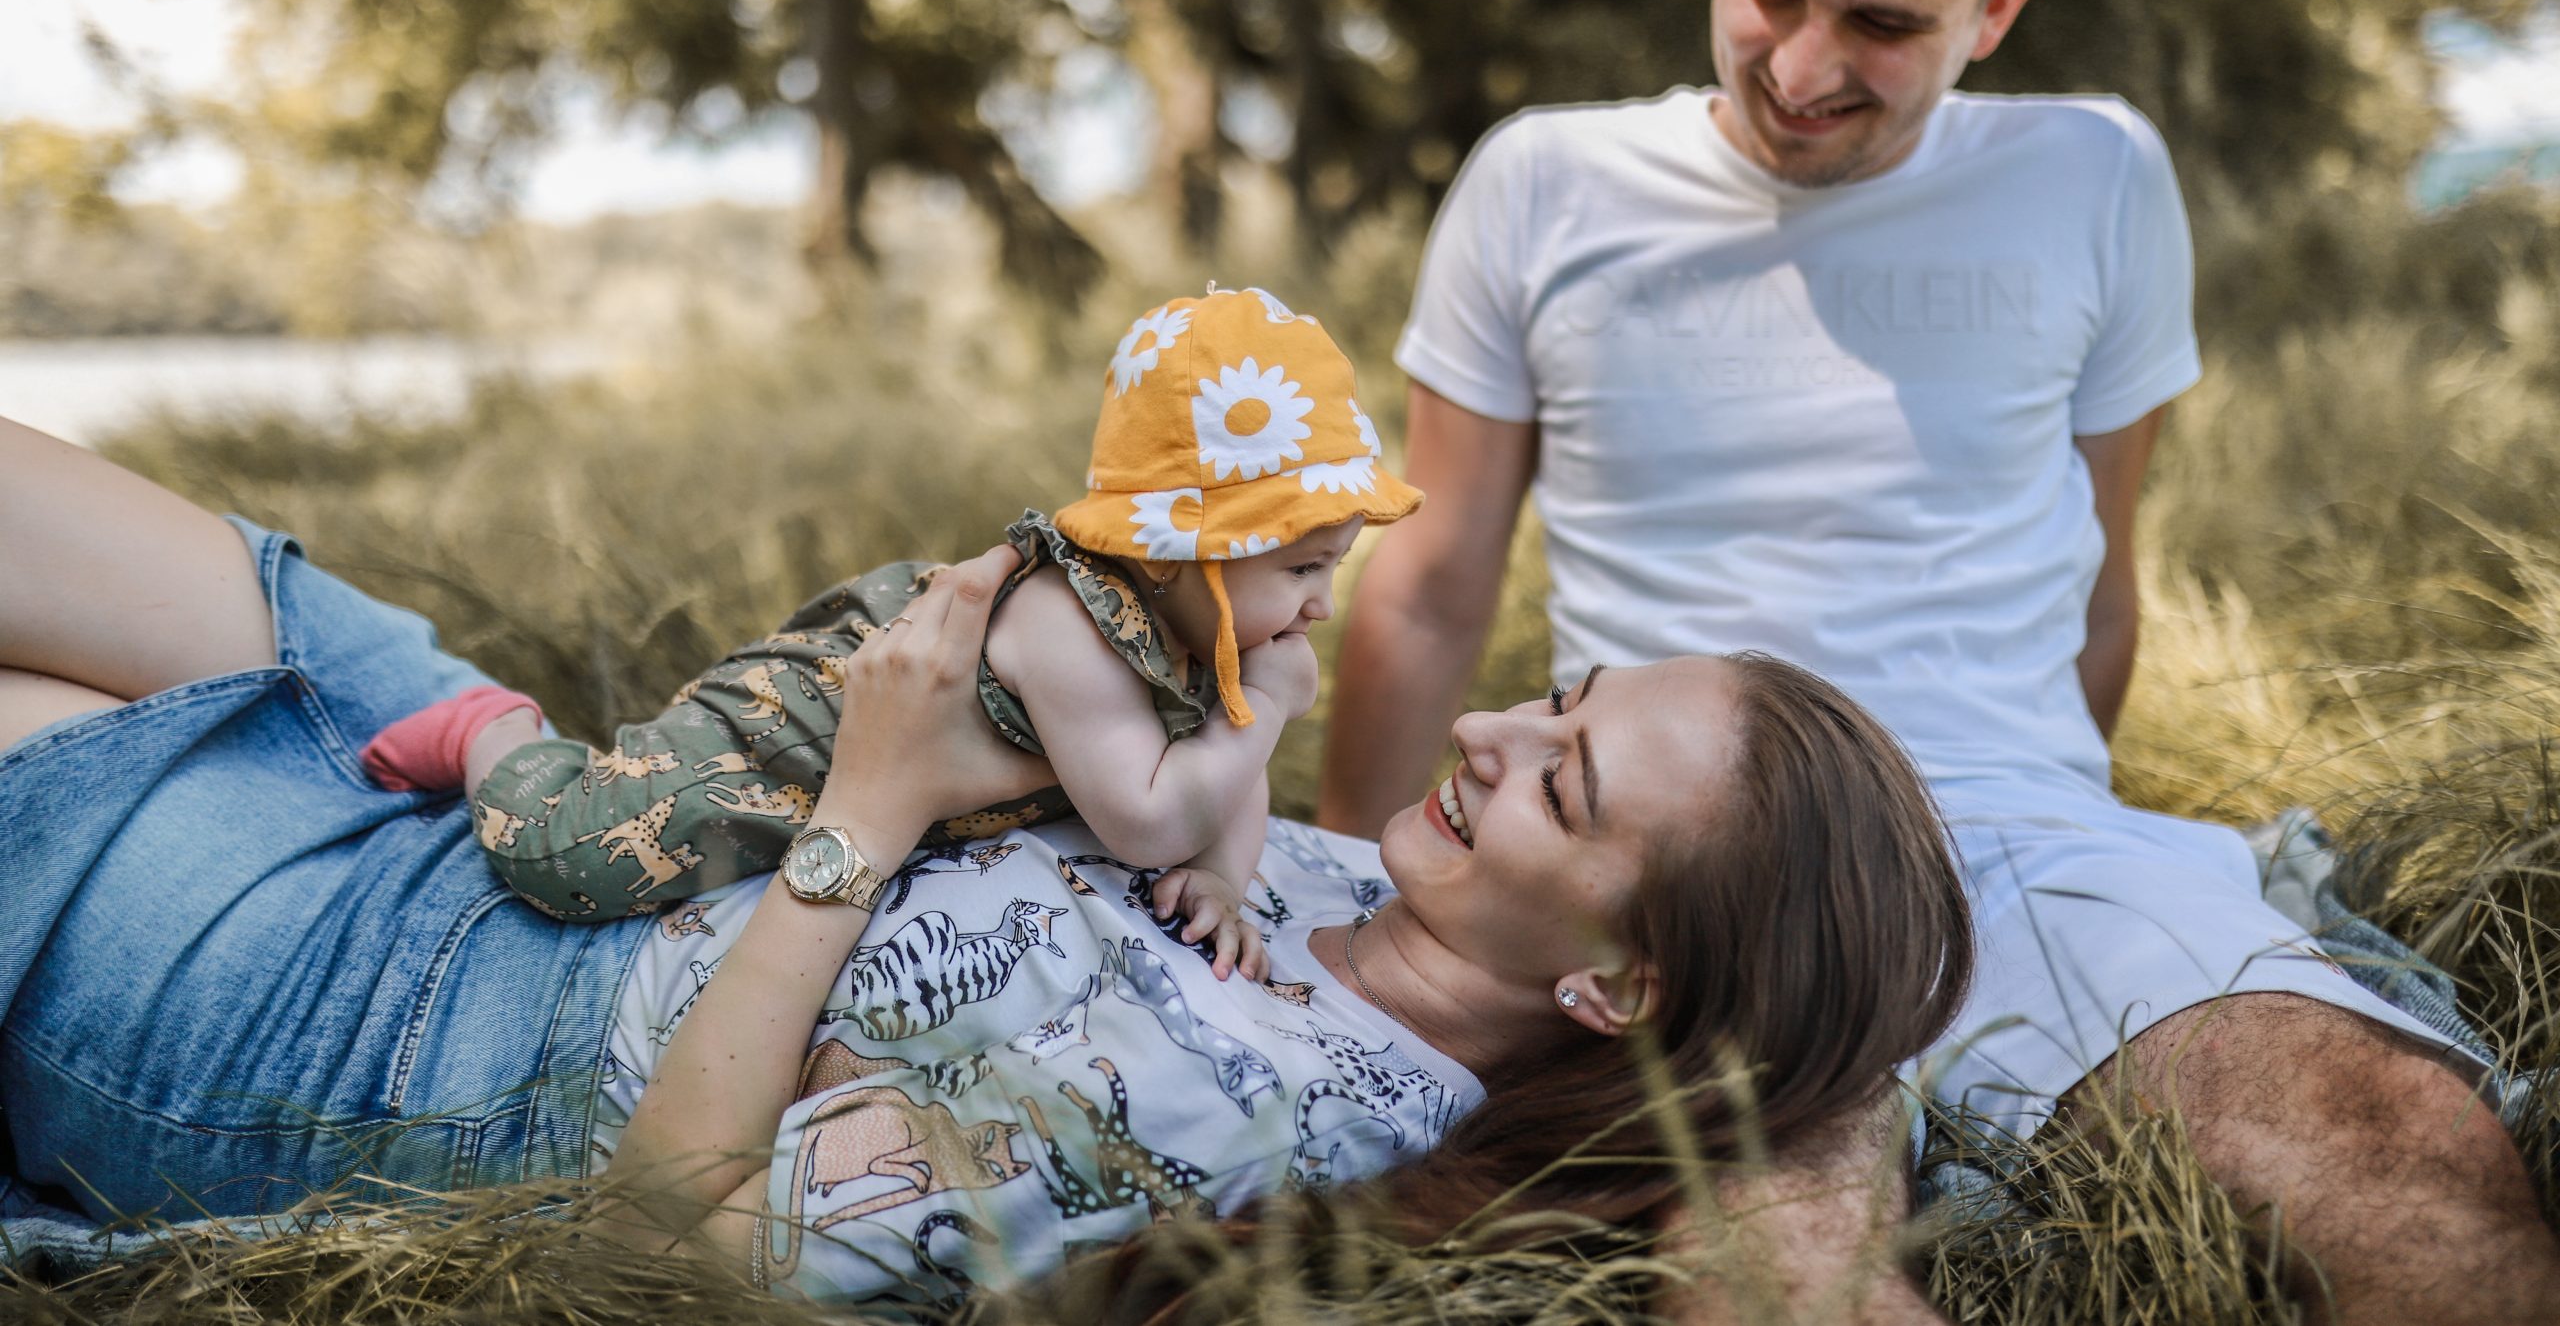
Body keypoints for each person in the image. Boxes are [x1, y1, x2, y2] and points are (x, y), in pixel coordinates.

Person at [1319, 0, 2560, 1320]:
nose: (1801, 63)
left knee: (2397, 1152)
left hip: (2024, 836)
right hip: (1678, 874)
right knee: (1767, 1268)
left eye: (1884, 21)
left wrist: (2057, 833)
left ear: (1999, 9)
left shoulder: (2099, 176)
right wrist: (1343, 903)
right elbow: (1428, 584)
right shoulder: (1541, 183)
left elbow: (2102, 575)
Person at [0, 415, 1970, 1318]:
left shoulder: (1195, 1106)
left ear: (1613, 986)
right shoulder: (1344, 893)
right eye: (1559, 695)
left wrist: (868, 803)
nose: (1484, 730)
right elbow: (1813, 1079)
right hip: (573, 811)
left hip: (390, 1014)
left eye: (1563, 782)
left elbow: (652, 1250)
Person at [360, 283, 1419, 980]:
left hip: (875, 802)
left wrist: (1227, 881)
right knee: (570, 859)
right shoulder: (1066, 625)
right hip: (775, 750)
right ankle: (491, 730)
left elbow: (1210, 789)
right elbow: (1152, 819)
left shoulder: (1210, 634)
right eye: (1301, 570)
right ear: (1166, 553)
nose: (1320, 607)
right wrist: (1270, 709)